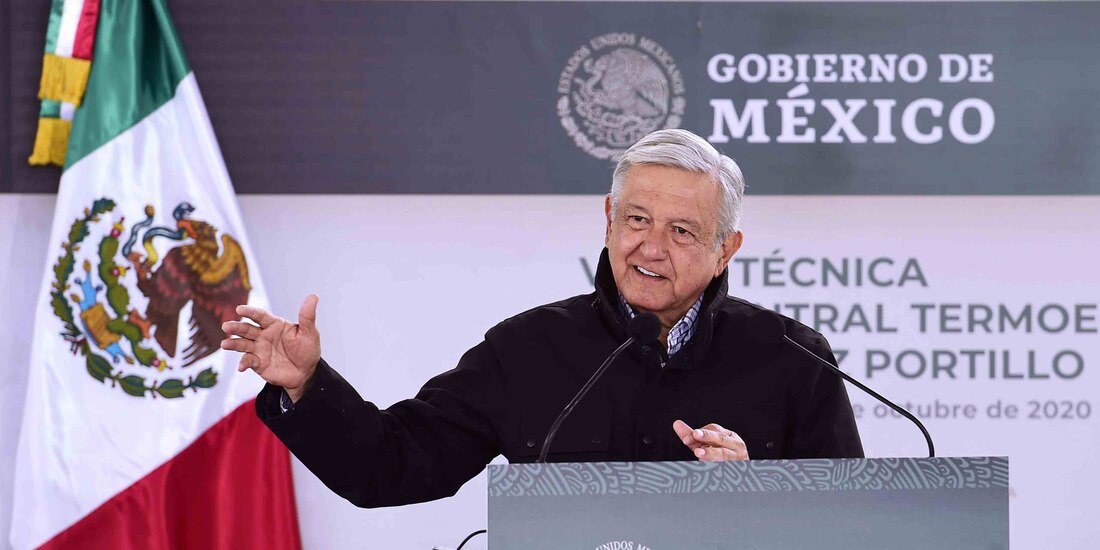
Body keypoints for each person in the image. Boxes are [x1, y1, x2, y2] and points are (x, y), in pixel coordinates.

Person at [221, 129, 863, 508]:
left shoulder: (793, 357)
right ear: (608, 217)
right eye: (636, 220)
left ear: (726, 249)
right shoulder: (529, 348)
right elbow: (390, 465)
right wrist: (305, 386)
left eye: (683, 231)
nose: (651, 247)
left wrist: (759, 500)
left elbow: (850, 527)